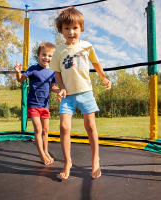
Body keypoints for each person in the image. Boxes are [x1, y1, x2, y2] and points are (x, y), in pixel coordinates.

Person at [50, 7, 112, 179]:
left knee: (90, 126)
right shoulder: (59, 51)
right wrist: (61, 87)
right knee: (64, 127)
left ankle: (95, 160)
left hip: (85, 92)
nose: (71, 32)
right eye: (67, 28)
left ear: (81, 29)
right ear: (61, 30)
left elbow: (96, 63)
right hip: (68, 95)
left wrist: (104, 78)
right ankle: (67, 162)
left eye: (75, 28)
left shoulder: (87, 46)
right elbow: (57, 73)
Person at [14, 42, 59, 165]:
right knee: (38, 129)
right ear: (38, 55)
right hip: (33, 105)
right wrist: (18, 72)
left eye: (50, 56)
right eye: (44, 55)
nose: (47, 58)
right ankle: (41, 154)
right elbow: (20, 79)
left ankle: (46, 151)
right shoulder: (33, 69)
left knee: (45, 130)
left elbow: (52, 88)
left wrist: (61, 91)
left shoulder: (52, 72)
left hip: (45, 106)